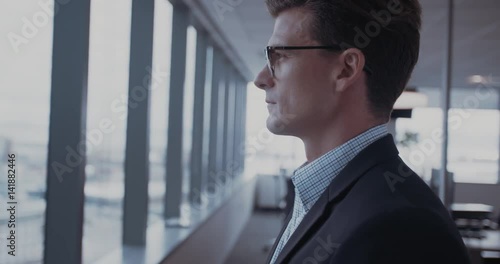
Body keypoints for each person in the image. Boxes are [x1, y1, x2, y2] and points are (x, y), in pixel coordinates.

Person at [253, 0, 471, 263]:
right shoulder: (322, 192)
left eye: (280, 55)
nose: (261, 78)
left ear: (346, 69)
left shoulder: (402, 228)